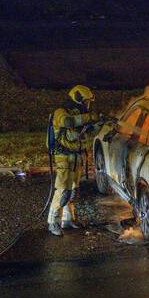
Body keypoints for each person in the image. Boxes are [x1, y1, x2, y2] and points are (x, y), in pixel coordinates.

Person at [48, 85, 99, 236]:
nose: (87, 105)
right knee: (63, 190)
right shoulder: (60, 112)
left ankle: (68, 220)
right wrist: (89, 117)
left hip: (77, 157)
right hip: (63, 157)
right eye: (86, 102)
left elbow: (85, 133)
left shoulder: (79, 115)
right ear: (78, 99)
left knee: (73, 190)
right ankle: (52, 222)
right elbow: (69, 122)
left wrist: (100, 124)